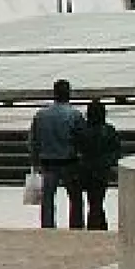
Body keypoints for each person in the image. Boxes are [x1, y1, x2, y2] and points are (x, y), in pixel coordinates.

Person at [28, 79, 86, 230]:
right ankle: (76, 226)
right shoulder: (75, 115)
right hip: (69, 162)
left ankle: (48, 226)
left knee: (47, 198)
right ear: (69, 94)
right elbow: (81, 139)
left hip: (47, 162)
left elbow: (34, 140)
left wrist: (34, 162)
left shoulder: (41, 115)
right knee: (75, 198)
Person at [72, 97, 123, 230]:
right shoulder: (109, 130)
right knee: (97, 200)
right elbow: (116, 151)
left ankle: (96, 224)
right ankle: (98, 225)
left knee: (92, 200)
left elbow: (76, 147)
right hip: (101, 171)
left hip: (85, 169)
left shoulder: (82, 131)